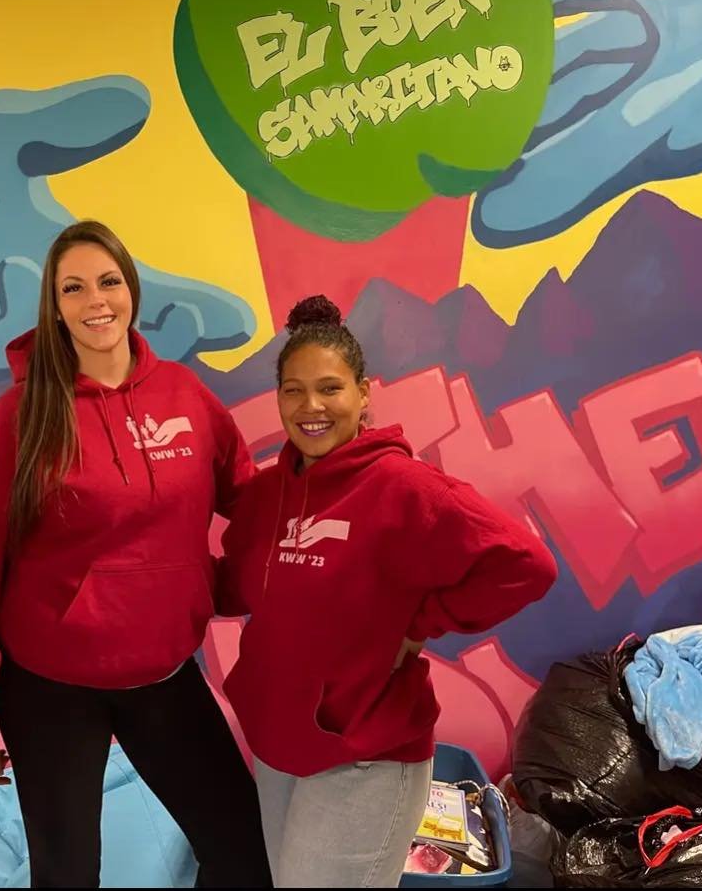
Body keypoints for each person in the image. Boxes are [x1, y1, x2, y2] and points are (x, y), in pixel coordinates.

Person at [216, 295, 559, 888]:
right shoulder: (268, 495)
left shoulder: (403, 486)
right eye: (294, 391)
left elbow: (526, 564)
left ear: (363, 394)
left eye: (330, 388)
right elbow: (237, 587)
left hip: (365, 752)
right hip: (277, 745)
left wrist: (421, 622)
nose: (310, 406)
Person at [0, 220, 271, 887]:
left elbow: (250, 502)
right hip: (49, 685)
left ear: (130, 290)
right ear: (54, 306)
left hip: (162, 672)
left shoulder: (184, 395)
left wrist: (227, 583)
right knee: (67, 874)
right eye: (73, 288)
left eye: (108, 281)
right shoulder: (23, 412)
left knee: (243, 852)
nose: (95, 301)